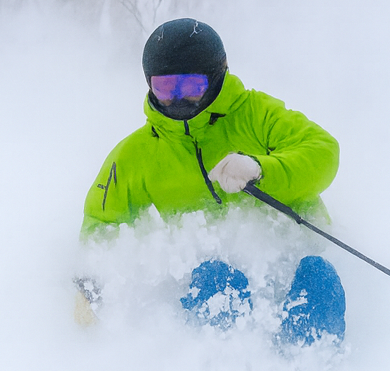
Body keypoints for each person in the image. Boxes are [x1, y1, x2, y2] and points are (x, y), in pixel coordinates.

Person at [78, 18, 347, 345]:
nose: (177, 100)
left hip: (291, 256)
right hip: (212, 273)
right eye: (165, 88)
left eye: (192, 87)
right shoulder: (139, 152)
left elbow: (323, 151)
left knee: (319, 279)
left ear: (218, 75)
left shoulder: (254, 114)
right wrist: (89, 286)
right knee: (215, 281)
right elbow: (102, 219)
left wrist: (261, 169)